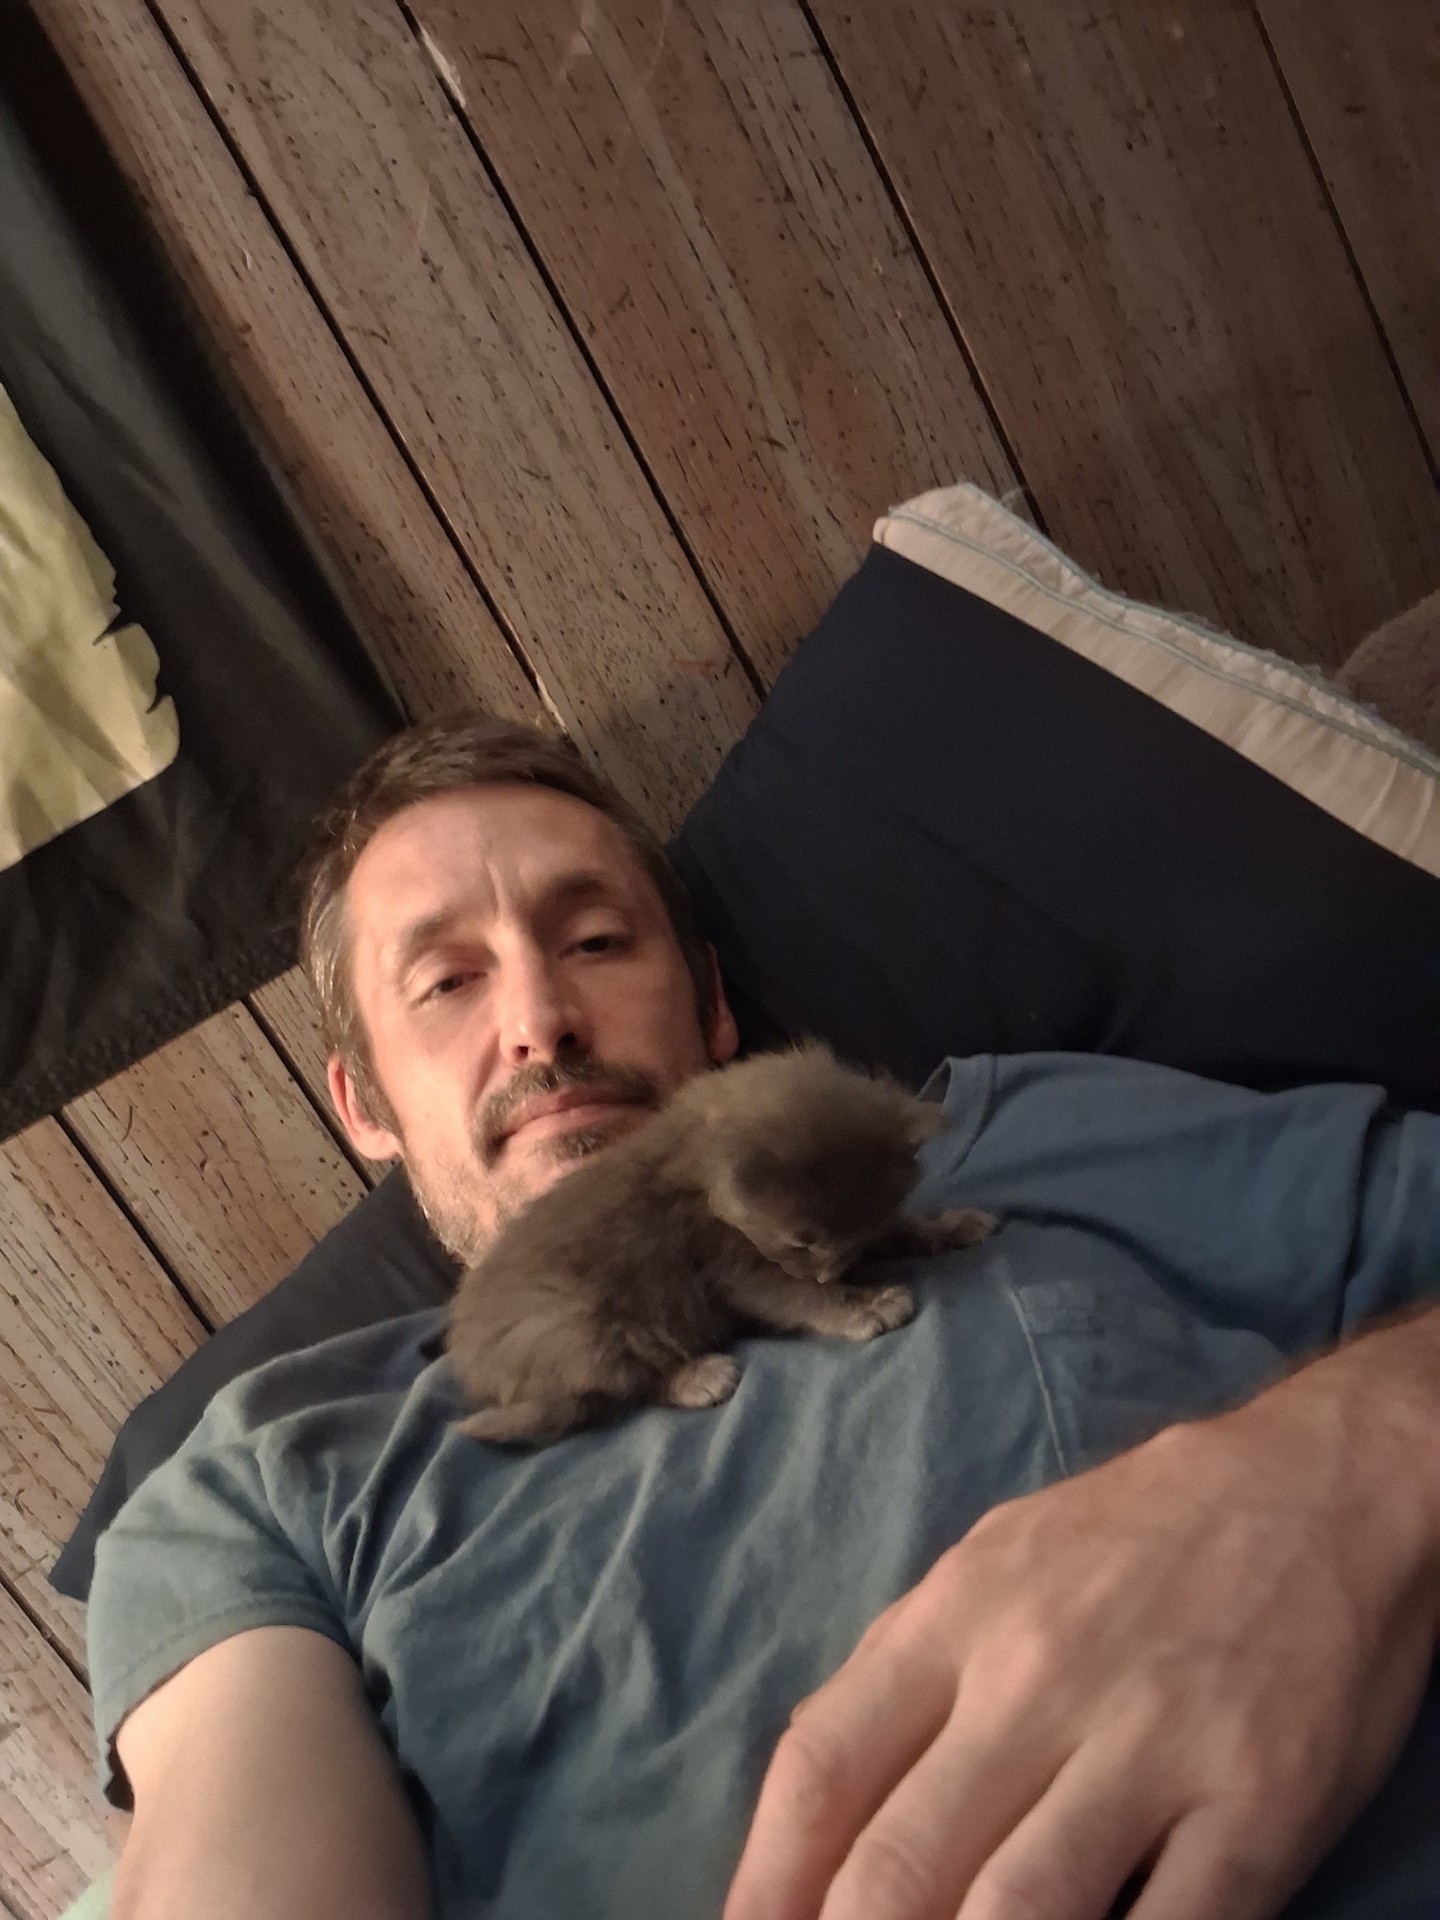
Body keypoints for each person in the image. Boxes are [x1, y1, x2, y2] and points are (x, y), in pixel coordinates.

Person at [89, 713, 1440, 1920]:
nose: (542, 1019)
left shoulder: (1014, 1135)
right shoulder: (267, 1474)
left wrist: (1346, 1463)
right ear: (363, 1105)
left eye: (596, 941)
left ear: (714, 1004)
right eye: (447, 981)